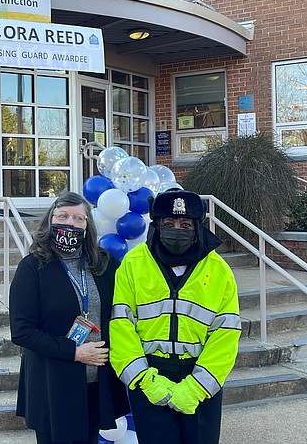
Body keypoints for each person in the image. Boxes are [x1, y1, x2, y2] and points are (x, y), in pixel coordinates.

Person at [109, 189, 241, 444]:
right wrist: (144, 380)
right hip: (150, 375)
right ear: (156, 225)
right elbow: (121, 326)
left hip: (200, 378)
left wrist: (197, 387)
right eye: (168, 224)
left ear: (197, 226)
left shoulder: (218, 270)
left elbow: (226, 334)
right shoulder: (133, 263)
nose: (176, 229)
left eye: (185, 224)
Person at [9, 191, 131, 444]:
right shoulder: (33, 267)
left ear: (88, 226)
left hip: (96, 384)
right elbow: (22, 331)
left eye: (79, 218)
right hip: (52, 383)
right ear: (50, 221)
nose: (70, 223)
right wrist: (74, 352)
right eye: (63, 216)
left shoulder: (105, 264)